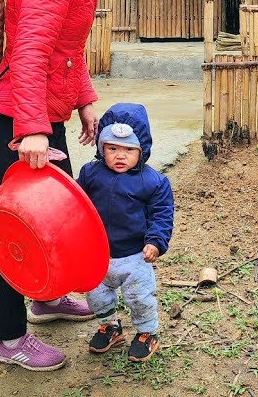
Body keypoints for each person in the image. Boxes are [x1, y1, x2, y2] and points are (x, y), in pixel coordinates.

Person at [0, 0, 102, 371]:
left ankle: (46, 299)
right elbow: (29, 53)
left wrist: (85, 99)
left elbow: (65, 52)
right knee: (17, 230)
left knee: (51, 222)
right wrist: (31, 128)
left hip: (40, 116)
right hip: (19, 123)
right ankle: (8, 338)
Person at [77, 103, 175, 363]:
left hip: (135, 256)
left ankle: (146, 332)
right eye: (112, 148)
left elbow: (162, 214)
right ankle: (110, 326)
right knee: (97, 296)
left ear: (141, 150)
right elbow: (75, 205)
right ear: (101, 147)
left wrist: (155, 241)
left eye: (129, 149)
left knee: (139, 298)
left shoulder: (153, 182)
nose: (120, 156)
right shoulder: (90, 174)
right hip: (98, 254)